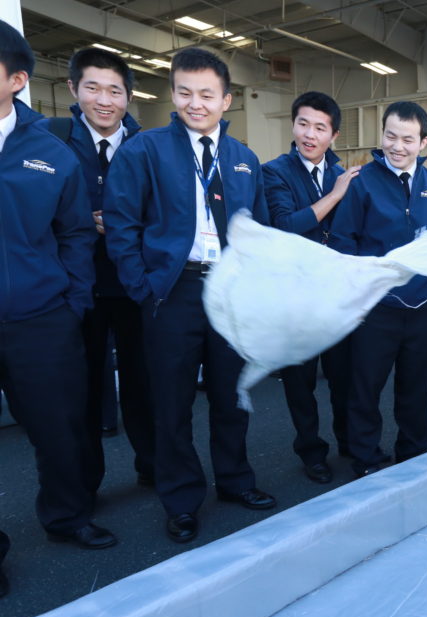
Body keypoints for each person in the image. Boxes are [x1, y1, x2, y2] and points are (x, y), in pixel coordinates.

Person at [105, 48, 277, 544]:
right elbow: (120, 224)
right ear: (172, 95)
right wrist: (145, 287)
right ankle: (180, 500)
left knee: (232, 396)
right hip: (172, 291)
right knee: (172, 402)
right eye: (184, 92)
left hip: (231, 292)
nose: (195, 103)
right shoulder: (145, 150)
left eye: (207, 94)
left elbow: (259, 227)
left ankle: (234, 481)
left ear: (226, 99)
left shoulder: (243, 159)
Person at [0, 20, 117, 554]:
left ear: (16, 79)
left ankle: (67, 517)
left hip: (41, 318)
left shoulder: (51, 153)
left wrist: (72, 301)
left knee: (59, 428)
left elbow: (75, 233)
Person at [331, 101, 427, 477]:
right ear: (381, 135)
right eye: (390, 136)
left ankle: (414, 453)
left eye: (407, 139)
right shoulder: (363, 182)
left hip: (423, 308)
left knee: (415, 389)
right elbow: (342, 241)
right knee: (365, 388)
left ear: (424, 142)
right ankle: (366, 457)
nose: (397, 146)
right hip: (376, 308)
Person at [53, 47, 155, 492]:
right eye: (93, 88)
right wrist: (83, 219)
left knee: (144, 386)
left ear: (129, 97)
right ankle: (86, 486)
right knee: (83, 392)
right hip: (76, 288)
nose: (104, 99)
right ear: (75, 89)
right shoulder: (50, 141)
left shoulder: (147, 147)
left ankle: (153, 469)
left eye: (115, 90)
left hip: (133, 286)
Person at [262, 92, 360, 484]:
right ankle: (311, 450)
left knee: (343, 378)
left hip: (336, 295)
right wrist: (335, 194)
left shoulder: (347, 173)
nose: (309, 134)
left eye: (320, 127)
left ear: (333, 134)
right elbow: (285, 225)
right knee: (300, 383)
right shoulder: (275, 172)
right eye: (303, 123)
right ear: (293, 125)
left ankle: (349, 441)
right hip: (294, 297)